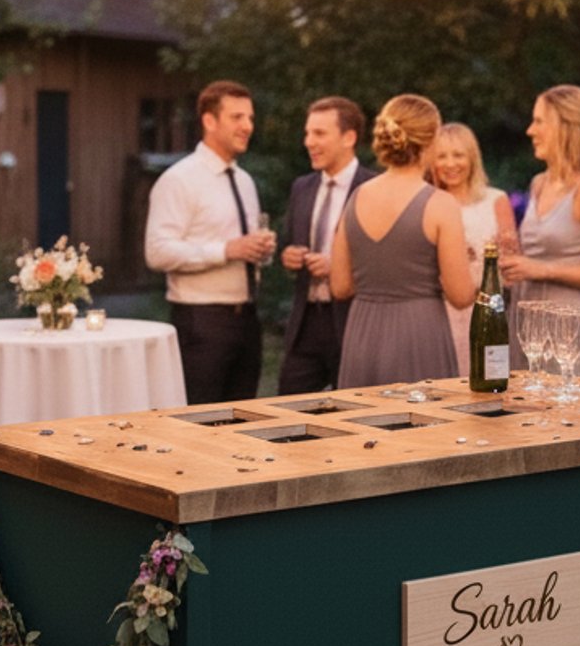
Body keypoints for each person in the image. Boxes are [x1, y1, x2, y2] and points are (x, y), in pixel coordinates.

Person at [330, 95, 474, 388]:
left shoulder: (356, 197)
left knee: (362, 428)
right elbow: (461, 296)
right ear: (430, 141)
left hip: (362, 334)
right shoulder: (440, 204)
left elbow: (340, 285)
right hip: (420, 334)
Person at [145, 81, 275, 404]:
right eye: (237, 117)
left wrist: (260, 250)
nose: (247, 126)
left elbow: (242, 244)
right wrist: (226, 250)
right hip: (201, 322)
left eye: (250, 118)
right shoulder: (178, 179)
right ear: (209, 121)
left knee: (242, 419)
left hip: (247, 318)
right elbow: (157, 251)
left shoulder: (244, 181)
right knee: (199, 420)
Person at [499, 85, 580, 367]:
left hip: (571, 328)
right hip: (526, 323)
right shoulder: (538, 183)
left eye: (539, 121)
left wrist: (541, 269)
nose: (530, 131)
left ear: (564, 126)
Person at [278, 97, 377, 393]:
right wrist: (288, 256)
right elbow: (288, 241)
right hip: (305, 322)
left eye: (319, 134)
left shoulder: (374, 190)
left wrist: (339, 268)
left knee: (355, 413)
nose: (309, 142)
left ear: (349, 137)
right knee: (288, 414)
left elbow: (384, 262)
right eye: (308, 133)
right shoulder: (301, 187)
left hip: (352, 322)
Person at [429, 122, 518, 377]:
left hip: (488, 310)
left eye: (458, 155)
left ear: (472, 158)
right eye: (442, 156)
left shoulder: (496, 200)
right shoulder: (429, 202)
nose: (450, 164)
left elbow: (512, 261)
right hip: (442, 310)